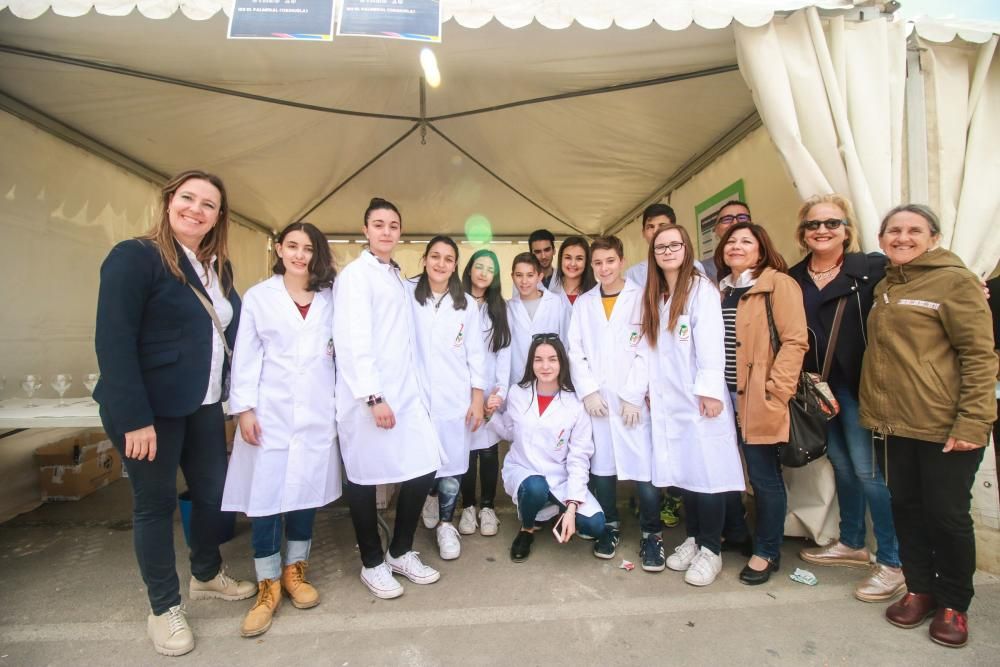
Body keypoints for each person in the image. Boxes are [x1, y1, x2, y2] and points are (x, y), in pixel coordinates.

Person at [94, 169, 255, 657]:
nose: (197, 210)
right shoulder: (135, 257)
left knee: (211, 495)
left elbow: (234, 334)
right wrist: (134, 418)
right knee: (154, 506)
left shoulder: (216, 269)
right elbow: (113, 341)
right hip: (152, 411)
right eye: (188, 198)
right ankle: (163, 607)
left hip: (205, 405)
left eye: (209, 204)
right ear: (168, 202)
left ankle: (205, 574)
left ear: (218, 217)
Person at [859, 204, 997, 648]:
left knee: (948, 517)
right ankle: (920, 589)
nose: (903, 237)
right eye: (893, 231)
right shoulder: (885, 285)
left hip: (945, 426)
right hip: (896, 424)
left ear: (933, 237)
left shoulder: (956, 281)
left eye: (914, 230)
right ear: (881, 240)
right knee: (907, 511)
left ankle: (955, 604)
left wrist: (974, 421)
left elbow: (980, 356)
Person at [222, 222, 343, 637]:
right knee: (266, 497)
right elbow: (246, 357)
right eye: (292, 246)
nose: (299, 255)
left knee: (304, 493)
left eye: (307, 248)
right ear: (278, 248)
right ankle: (268, 585)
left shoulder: (330, 300)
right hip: (269, 413)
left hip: (314, 413)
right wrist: (245, 410)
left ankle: (295, 571)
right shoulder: (260, 297)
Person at [786, 194, 903, 602]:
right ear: (802, 233)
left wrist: (970, 283)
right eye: (814, 225)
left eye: (831, 223)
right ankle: (852, 541)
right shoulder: (794, 276)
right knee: (841, 466)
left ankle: (892, 561)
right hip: (816, 389)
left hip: (857, 386)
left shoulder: (870, 267)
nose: (822, 230)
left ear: (847, 230)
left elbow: (920, 277)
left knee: (870, 473)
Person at [333, 197, 444, 600]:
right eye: (378, 224)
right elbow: (352, 339)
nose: (386, 231)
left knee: (424, 465)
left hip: (405, 395)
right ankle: (372, 563)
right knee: (363, 477)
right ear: (365, 230)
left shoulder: (395, 274)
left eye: (393, 225)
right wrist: (373, 396)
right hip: (370, 398)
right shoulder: (355, 276)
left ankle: (400, 550)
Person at [623, 225, 745, 586]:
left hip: (699, 400)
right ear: (653, 254)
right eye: (661, 246)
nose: (667, 250)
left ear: (687, 248)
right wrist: (641, 389)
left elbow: (712, 343)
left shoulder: (700, 288)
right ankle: (693, 539)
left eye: (674, 244)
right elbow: (647, 348)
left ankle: (712, 550)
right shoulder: (657, 294)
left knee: (708, 474)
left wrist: (709, 391)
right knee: (687, 474)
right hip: (668, 402)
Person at [715, 221, 808, 585]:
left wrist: (776, 392)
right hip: (723, 400)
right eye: (730, 242)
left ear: (761, 248)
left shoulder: (777, 284)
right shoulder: (720, 289)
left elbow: (795, 341)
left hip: (759, 397)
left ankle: (767, 550)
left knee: (764, 477)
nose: (736, 246)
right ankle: (737, 532)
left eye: (745, 241)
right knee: (727, 472)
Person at [567, 236, 663, 569]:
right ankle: (610, 526)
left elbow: (648, 347)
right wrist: (589, 392)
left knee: (644, 472)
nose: (603, 268)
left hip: (632, 402)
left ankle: (653, 534)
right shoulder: (584, 303)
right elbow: (574, 349)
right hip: (599, 404)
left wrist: (634, 395)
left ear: (621, 260)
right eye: (598, 263)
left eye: (609, 261)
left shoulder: (641, 298)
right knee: (603, 469)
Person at [488, 335, 607, 562]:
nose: (545, 366)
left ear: (562, 362)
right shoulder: (517, 393)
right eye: (538, 359)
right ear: (531, 363)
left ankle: (557, 511)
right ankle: (528, 528)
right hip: (525, 472)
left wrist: (572, 508)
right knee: (534, 487)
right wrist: (490, 413)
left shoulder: (575, 403)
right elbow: (510, 432)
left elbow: (579, 457)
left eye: (552, 359)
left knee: (595, 525)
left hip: (559, 478)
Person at [410, 236, 487, 561]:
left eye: (448, 259)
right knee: (422, 460)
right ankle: (429, 497)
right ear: (425, 259)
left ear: (456, 265)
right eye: (435, 257)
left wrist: (477, 398)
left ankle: (445, 524)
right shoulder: (407, 296)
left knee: (454, 462)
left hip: (455, 397)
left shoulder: (467, 304)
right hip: (416, 396)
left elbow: (476, 355)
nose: (441, 264)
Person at [457, 249, 512, 537]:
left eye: (489, 269)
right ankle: (467, 507)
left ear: (495, 277)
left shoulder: (498, 308)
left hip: (490, 393)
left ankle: (488, 507)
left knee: (489, 453)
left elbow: (505, 353)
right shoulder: (455, 302)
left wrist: (498, 393)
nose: (482, 273)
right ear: (468, 270)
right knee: (466, 453)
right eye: (478, 266)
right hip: (461, 393)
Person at [506, 252, 569, 387]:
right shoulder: (507, 308)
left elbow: (565, 341)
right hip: (517, 378)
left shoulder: (556, 303)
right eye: (519, 275)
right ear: (512, 277)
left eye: (530, 275)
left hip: (550, 378)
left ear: (539, 276)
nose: (524, 281)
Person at [548, 236, 597, 307]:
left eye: (579, 258)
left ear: (586, 261)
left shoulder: (597, 292)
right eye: (568, 257)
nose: (573, 263)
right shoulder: (551, 293)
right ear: (561, 259)